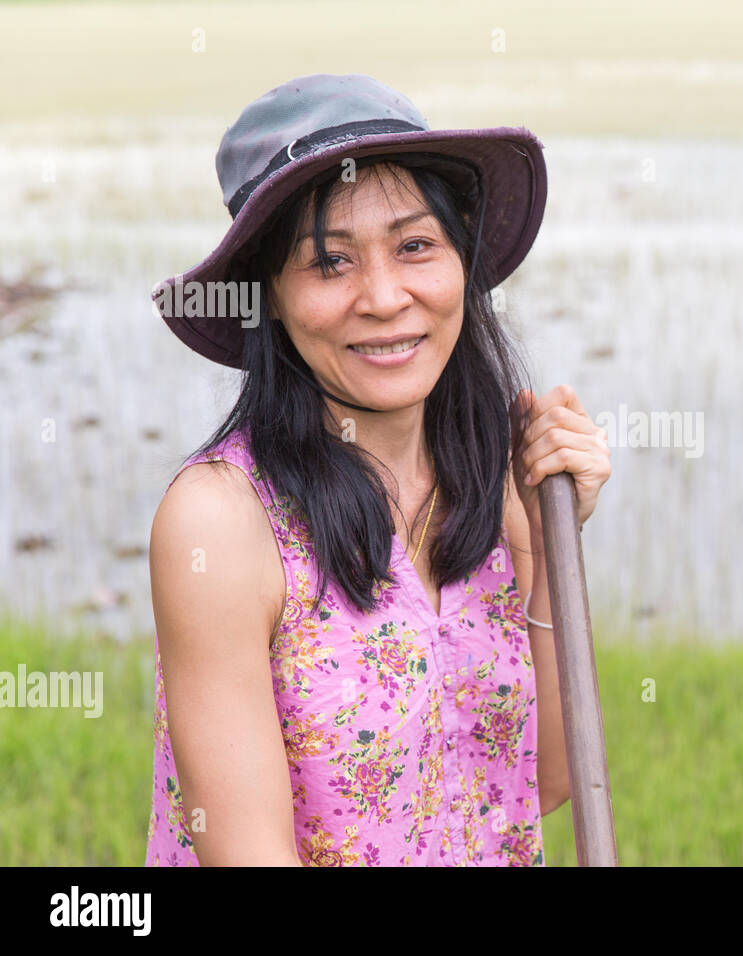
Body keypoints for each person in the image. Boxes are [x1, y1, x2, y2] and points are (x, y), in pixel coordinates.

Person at [143, 73, 611, 866]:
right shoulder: (222, 522)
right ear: (271, 298)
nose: (386, 297)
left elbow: (543, 784)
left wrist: (545, 532)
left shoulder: (496, 473)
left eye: (415, 246)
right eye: (329, 263)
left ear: (462, 256)